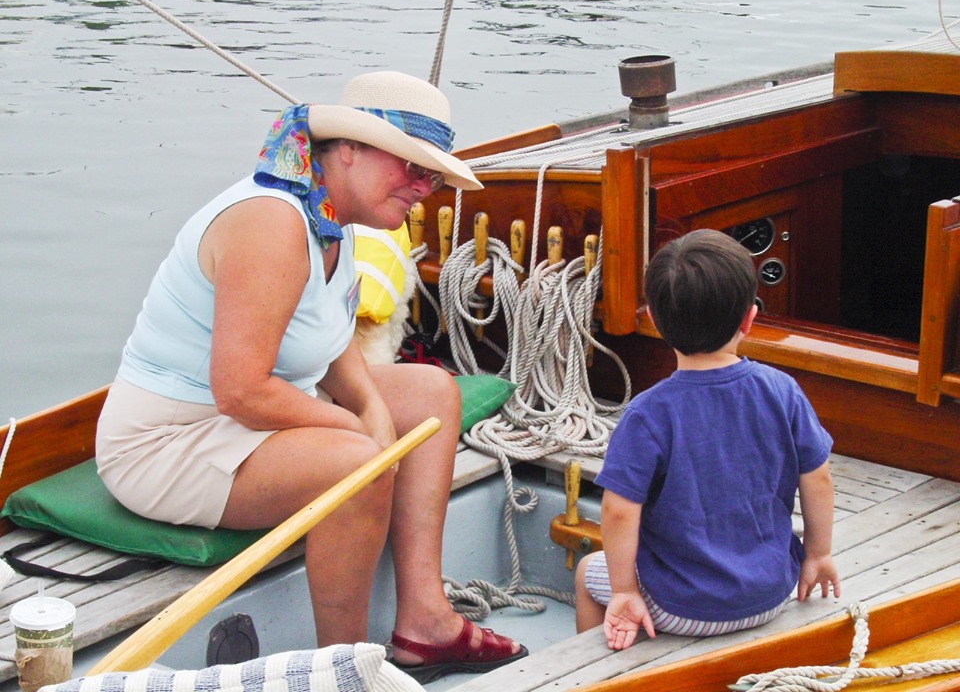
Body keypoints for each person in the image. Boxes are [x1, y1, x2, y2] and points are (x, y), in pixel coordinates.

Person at [95, 71, 526, 682]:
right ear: (347, 149)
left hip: (249, 417)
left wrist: (372, 411)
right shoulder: (271, 222)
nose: (424, 188)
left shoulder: (331, 216)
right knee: (356, 465)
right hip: (172, 442)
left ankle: (425, 622)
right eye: (411, 167)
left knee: (431, 395)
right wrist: (355, 429)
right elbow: (240, 389)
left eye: (431, 175)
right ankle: (340, 669)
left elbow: (329, 338)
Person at [574, 229, 840, 651]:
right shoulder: (782, 389)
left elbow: (619, 511)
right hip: (771, 593)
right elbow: (818, 478)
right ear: (749, 319)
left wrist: (625, 591)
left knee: (589, 572)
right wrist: (817, 555)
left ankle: (602, 671)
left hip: (681, 606)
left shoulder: (647, 412)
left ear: (656, 322)